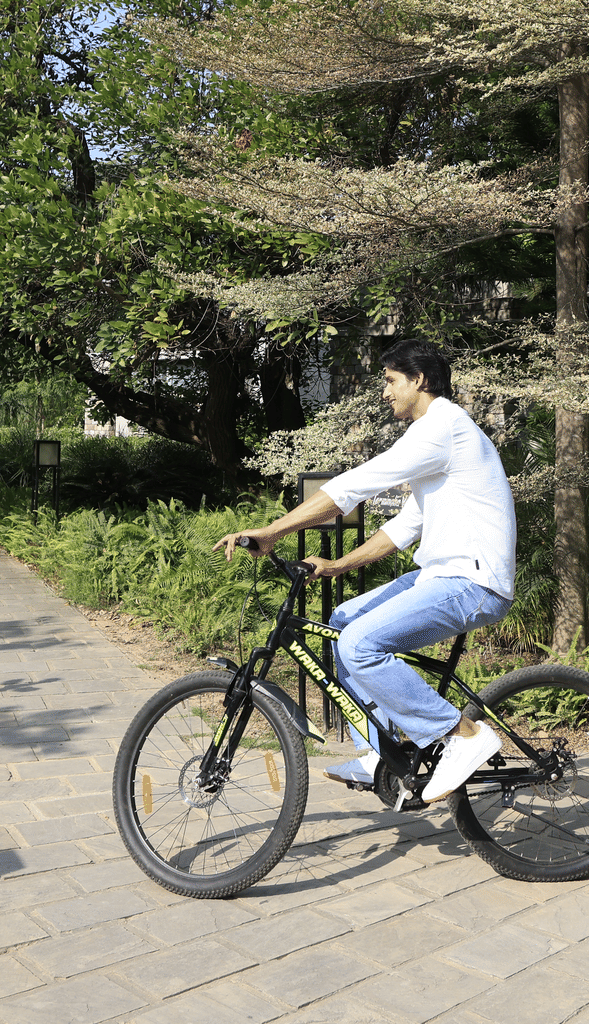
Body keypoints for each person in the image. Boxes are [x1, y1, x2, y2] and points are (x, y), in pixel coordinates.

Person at [215, 339, 516, 803]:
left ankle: (463, 735)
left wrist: (274, 530)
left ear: (419, 381)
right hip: (442, 574)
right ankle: (378, 753)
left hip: (472, 581)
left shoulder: (442, 427)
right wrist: (337, 565)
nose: (384, 392)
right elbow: (405, 525)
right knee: (342, 624)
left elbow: (353, 487)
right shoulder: (437, 438)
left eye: (391, 381)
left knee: (360, 645)